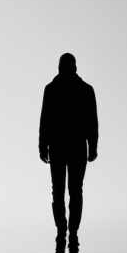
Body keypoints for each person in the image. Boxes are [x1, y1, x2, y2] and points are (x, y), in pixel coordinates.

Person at [38, 52, 98, 233]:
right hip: (76, 146)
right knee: (74, 190)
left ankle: (63, 229)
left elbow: (45, 121)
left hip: (59, 146)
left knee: (60, 190)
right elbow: (92, 122)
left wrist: (42, 146)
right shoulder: (86, 89)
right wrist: (93, 147)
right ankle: (70, 230)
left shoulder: (52, 89)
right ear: (75, 67)